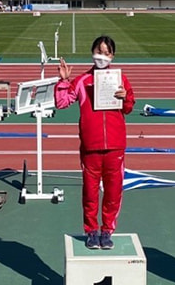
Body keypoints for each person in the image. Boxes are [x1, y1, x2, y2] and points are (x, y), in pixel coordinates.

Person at [55, 36, 135, 250]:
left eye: (107, 52)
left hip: (115, 145)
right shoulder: (82, 81)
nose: (103, 56)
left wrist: (125, 96)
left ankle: (107, 230)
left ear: (113, 56)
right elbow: (62, 103)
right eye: (99, 51)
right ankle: (91, 230)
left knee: (113, 191)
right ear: (92, 53)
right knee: (90, 192)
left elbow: (128, 108)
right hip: (91, 145)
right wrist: (63, 81)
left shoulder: (121, 79)